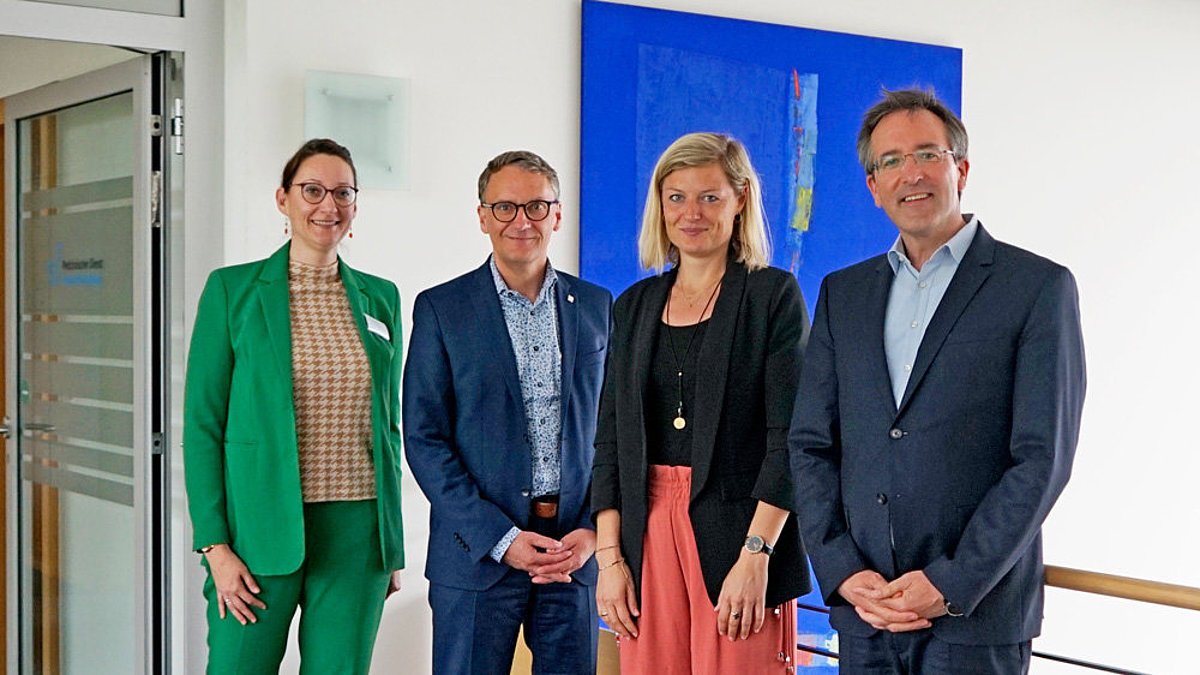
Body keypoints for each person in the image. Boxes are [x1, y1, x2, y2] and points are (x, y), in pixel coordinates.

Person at [789, 89, 1086, 673]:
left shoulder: (1036, 288)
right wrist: (843, 570)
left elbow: (1041, 460)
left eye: (928, 154)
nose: (911, 174)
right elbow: (810, 445)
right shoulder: (842, 294)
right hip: (866, 614)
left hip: (974, 619)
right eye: (890, 162)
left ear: (962, 169)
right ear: (873, 187)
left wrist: (950, 581)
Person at [592, 132, 811, 674]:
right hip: (645, 534)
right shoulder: (634, 306)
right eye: (676, 197)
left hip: (744, 532)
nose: (692, 212)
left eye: (710, 196)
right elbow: (610, 441)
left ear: (740, 201)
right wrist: (609, 559)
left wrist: (756, 555)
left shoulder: (773, 298)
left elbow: (791, 441)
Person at [183, 138, 405, 673]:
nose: (327, 205)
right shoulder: (232, 291)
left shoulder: (381, 298)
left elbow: (387, 424)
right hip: (258, 531)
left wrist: (390, 542)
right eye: (312, 190)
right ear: (283, 199)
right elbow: (202, 426)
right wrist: (215, 547)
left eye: (342, 192)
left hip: (357, 533)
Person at [403, 150, 612, 674]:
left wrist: (593, 530)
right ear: (482, 217)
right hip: (476, 556)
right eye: (505, 207)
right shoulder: (441, 308)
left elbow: (616, 431)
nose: (522, 220)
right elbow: (424, 437)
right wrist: (501, 538)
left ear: (557, 215)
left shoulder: (597, 306)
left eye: (537, 206)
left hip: (572, 557)